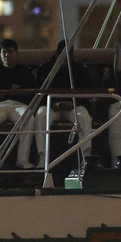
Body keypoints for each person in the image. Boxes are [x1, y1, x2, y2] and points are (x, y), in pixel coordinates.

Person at [34, 40, 93, 168]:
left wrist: (74, 103)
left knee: (84, 116)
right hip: (51, 106)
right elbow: (39, 92)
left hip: (73, 106)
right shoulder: (46, 69)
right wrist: (52, 104)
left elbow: (86, 92)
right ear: (56, 54)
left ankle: (86, 157)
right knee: (40, 116)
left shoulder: (79, 69)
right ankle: (43, 156)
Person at [0, 38, 35, 169]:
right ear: (0, 54)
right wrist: (13, 87)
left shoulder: (24, 70)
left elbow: (29, 89)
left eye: (10, 52)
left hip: (19, 104)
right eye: (4, 52)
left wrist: (2, 88)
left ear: (16, 53)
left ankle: (23, 160)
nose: (7, 55)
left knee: (29, 119)